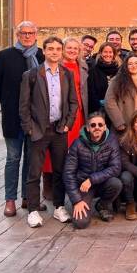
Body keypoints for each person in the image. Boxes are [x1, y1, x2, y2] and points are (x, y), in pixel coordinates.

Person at [19, 36, 79, 228]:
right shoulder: (32, 74)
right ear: (43, 51)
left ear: (61, 52)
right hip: (38, 130)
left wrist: (68, 123)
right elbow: (24, 105)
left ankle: (59, 207)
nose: (54, 52)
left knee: (60, 170)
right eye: (50, 49)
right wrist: (29, 128)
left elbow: (72, 102)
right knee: (34, 171)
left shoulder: (66, 74)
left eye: (57, 49)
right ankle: (34, 210)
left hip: (59, 129)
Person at [0, 20, 44, 217]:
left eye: (30, 33)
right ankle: (10, 200)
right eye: (23, 33)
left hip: (35, 119)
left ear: (36, 35)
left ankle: (28, 198)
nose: (27, 36)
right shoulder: (5, 56)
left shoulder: (41, 55)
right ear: (17, 35)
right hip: (13, 118)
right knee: (13, 159)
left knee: (31, 160)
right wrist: (7, 102)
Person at [40, 37, 89, 203]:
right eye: (69, 48)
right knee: (53, 149)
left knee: (73, 150)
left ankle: (68, 184)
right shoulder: (56, 66)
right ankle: (48, 183)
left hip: (78, 114)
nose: (73, 51)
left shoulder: (83, 66)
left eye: (76, 48)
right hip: (61, 112)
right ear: (63, 49)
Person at [63, 113, 123, 227]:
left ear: (105, 127)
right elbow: (68, 174)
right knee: (80, 223)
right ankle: (84, 204)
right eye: (93, 125)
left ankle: (102, 205)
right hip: (83, 187)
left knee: (116, 183)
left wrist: (91, 180)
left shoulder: (112, 141)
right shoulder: (77, 144)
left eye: (100, 125)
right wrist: (76, 200)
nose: (97, 127)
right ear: (87, 128)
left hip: (101, 183)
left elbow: (116, 168)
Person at [88, 42, 120, 117]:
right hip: (99, 111)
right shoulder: (93, 70)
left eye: (110, 52)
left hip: (116, 110)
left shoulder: (119, 71)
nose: (108, 55)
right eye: (105, 52)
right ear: (101, 53)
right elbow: (91, 91)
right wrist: (100, 104)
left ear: (114, 54)